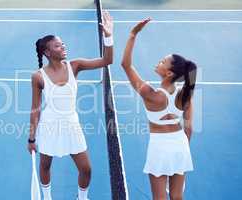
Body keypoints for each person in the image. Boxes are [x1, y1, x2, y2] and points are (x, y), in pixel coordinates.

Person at [27, 11, 114, 200]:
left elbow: (107, 61)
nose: (63, 46)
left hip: (72, 125)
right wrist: (32, 139)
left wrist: (108, 36)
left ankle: (82, 198)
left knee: (86, 169)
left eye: (63, 43)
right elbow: (35, 109)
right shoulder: (38, 77)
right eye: (58, 45)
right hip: (49, 126)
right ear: (48, 52)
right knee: (45, 165)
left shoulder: (75, 65)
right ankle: (47, 197)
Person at [121, 18, 196, 200]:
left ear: (169, 73)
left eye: (163, 61)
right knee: (177, 197)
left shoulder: (150, 94)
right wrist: (181, 149)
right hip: (180, 145)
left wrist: (133, 34)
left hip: (159, 147)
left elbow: (126, 65)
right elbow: (189, 128)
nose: (159, 62)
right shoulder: (186, 95)